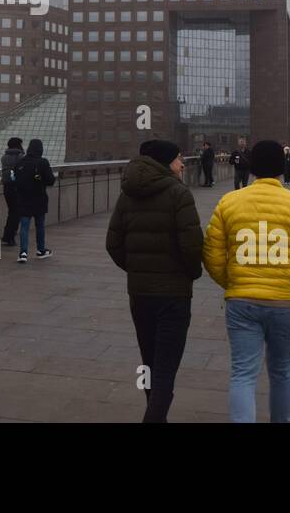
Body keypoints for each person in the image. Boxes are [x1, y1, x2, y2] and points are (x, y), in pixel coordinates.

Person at [204, 140, 290, 423]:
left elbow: (211, 254)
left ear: (252, 167)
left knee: (243, 373)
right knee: (282, 371)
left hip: (241, 302)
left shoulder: (229, 202)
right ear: (283, 168)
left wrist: (232, 283)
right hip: (286, 303)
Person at [106, 139, 204, 422]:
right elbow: (192, 246)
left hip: (140, 294)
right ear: (165, 163)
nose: (182, 164)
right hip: (173, 296)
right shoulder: (178, 193)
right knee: (166, 366)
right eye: (178, 159)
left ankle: (156, 415)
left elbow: (113, 244)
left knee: (149, 361)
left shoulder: (127, 194)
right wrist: (191, 273)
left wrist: (137, 269)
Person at [14, 138, 55, 262]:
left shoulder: (21, 162)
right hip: (39, 198)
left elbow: (16, 179)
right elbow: (50, 180)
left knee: (24, 227)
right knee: (40, 225)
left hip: (23, 199)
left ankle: (23, 253)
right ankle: (41, 250)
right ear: (40, 149)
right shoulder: (43, 162)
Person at [0, 137, 24, 247]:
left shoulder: (4, 157)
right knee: (16, 213)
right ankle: (10, 237)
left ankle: (7, 235)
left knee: (12, 211)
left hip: (7, 186)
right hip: (17, 187)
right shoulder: (21, 157)